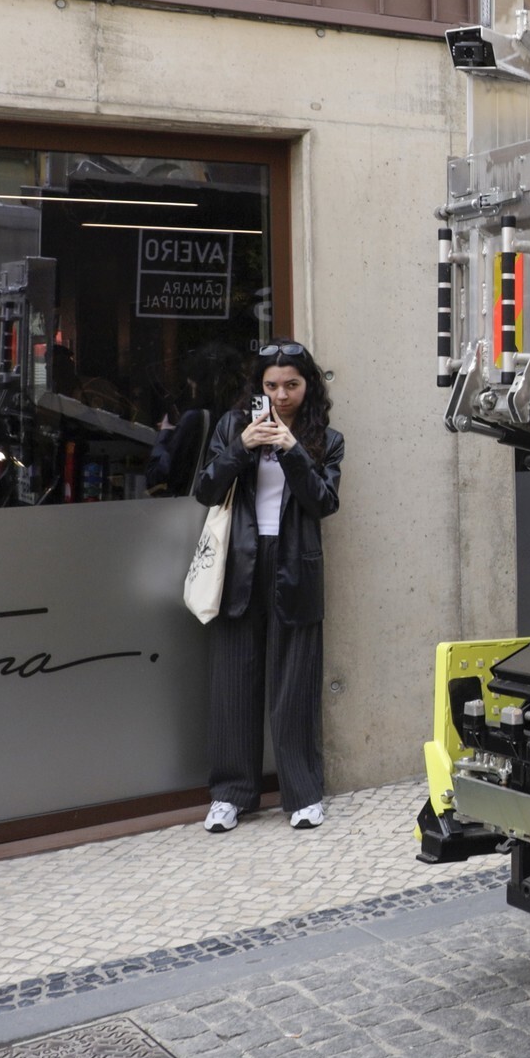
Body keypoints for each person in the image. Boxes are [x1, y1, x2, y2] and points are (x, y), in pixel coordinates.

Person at [191, 339, 344, 833]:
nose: (280, 396)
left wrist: (292, 450)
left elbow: (324, 503)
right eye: (272, 385)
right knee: (235, 681)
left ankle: (303, 794)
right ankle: (231, 795)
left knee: (294, 684)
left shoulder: (327, 439)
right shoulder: (233, 427)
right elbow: (205, 489)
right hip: (240, 561)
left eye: (292, 386)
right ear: (259, 386)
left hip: (296, 563)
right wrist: (244, 447)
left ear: (309, 387)